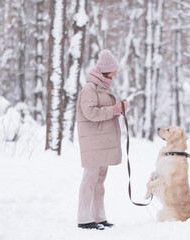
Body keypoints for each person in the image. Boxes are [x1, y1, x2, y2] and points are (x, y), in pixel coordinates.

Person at [76, 49, 129, 230]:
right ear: (106, 70)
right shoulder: (90, 88)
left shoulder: (102, 87)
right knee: (90, 179)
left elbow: (104, 110)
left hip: (102, 142)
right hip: (93, 141)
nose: (115, 74)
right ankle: (84, 218)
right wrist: (115, 109)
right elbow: (90, 113)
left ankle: (99, 216)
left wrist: (119, 108)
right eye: (114, 70)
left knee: (99, 181)